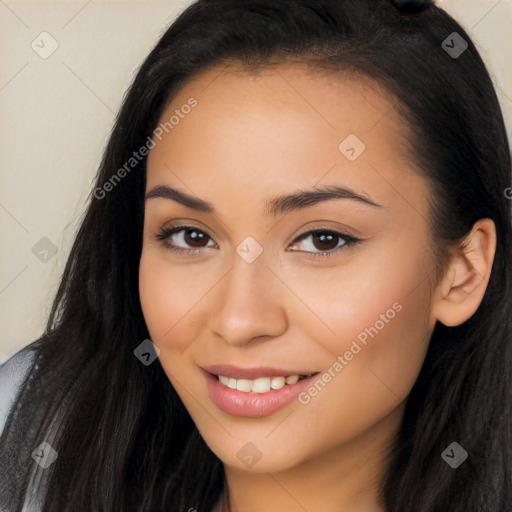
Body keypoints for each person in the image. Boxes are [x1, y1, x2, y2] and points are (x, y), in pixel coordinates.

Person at [1, 0, 511, 510]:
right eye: (191, 236)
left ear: (463, 272)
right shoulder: (27, 442)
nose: (239, 320)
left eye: (322, 240)